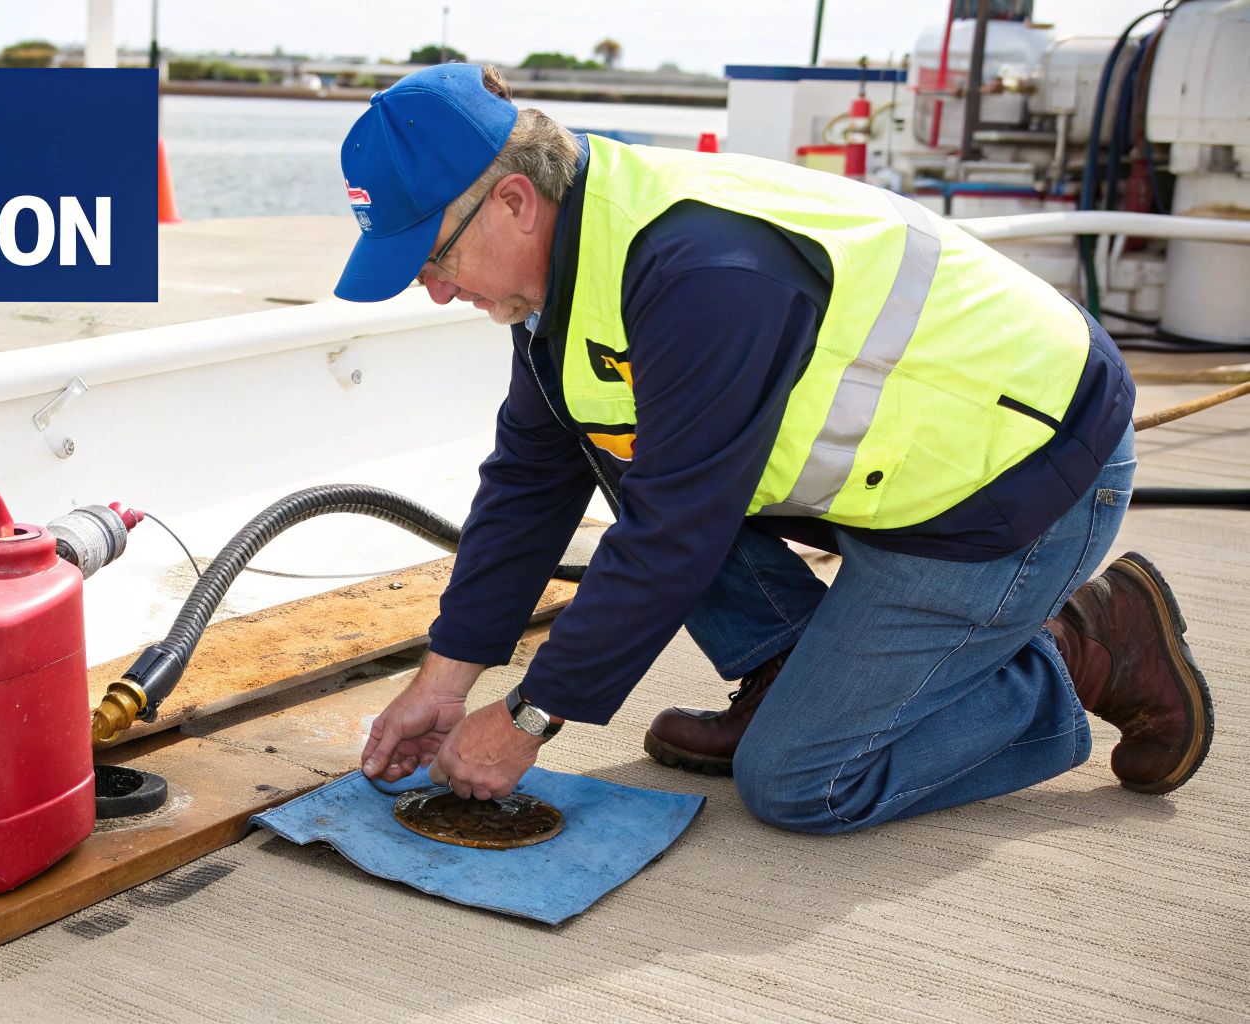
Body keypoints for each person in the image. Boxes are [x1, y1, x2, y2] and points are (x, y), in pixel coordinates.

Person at [336, 64, 1213, 833]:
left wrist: (529, 717)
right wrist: (444, 683)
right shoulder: (571, 262)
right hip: (900, 478)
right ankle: (793, 670)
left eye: (432, 258)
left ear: (514, 202)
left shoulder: (700, 273)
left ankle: (1085, 646)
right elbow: (530, 481)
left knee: (800, 783)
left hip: (1017, 484)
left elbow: (675, 528)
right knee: (610, 437)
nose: (439, 292)